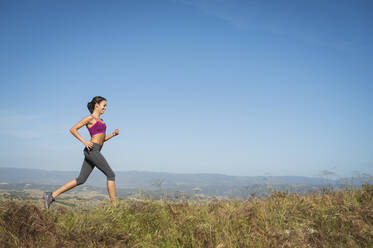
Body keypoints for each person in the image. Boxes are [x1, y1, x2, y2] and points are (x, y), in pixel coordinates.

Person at [43, 96, 120, 208]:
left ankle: (51, 195)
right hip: (92, 150)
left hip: (95, 150)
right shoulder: (90, 118)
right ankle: (115, 207)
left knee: (81, 179)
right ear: (97, 105)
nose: (105, 108)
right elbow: (73, 129)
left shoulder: (102, 121)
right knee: (111, 175)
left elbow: (101, 140)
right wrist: (84, 141)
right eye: (104, 105)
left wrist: (112, 135)